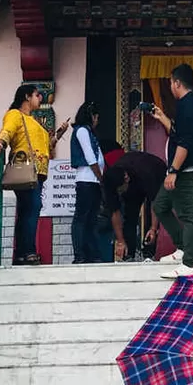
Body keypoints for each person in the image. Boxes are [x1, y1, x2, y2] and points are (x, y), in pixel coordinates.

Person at [0, 84, 69, 266]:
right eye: (36, 95)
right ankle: (28, 251)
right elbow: (8, 130)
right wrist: (0, 144)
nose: (40, 98)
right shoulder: (15, 115)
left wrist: (59, 134)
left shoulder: (33, 121)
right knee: (32, 207)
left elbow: (47, 145)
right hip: (25, 168)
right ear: (26, 96)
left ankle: (21, 254)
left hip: (38, 171)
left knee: (27, 211)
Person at [152, 64, 193, 280]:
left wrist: (174, 170)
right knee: (160, 206)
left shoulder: (188, 107)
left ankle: (189, 263)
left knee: (188, 216)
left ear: (177, 82)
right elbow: (178, 132)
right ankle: (182, 248)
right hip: (178, 169)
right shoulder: (189, 106)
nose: (170, 87)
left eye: (170, 83)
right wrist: (163, 118)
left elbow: (184, 143)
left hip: (184, 171)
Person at [102, 149, 167, 261]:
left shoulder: (146, 172)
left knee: (150, 217)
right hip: (133, 186)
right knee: (130, 217)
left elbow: (154, 203)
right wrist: (121, 241)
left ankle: (149, 253)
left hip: (156, 175)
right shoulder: (110, 181)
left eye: (121, 190)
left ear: (126, 179)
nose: (120, 194)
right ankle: (129, 254)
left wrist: (153, 228)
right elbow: (115, 212)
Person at [71, 101, 105, 265]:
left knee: (91, 219)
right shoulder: (82, 131)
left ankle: (92, 254)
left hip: (92, 181)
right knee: (81, 219)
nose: (97, 121)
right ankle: (80, 255)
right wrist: (100, 178)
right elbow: (91, 158)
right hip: (86, 180)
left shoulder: (90, 132)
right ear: (91, 116)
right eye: (96, 117)